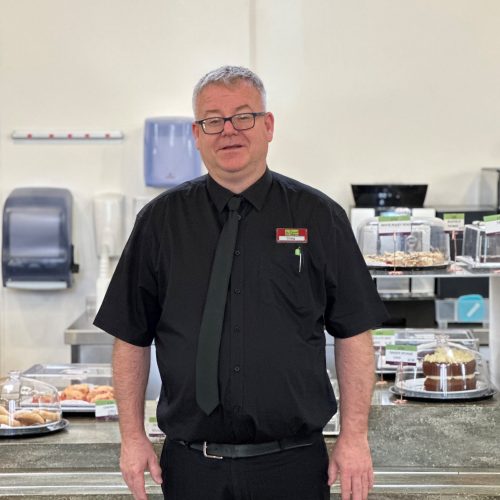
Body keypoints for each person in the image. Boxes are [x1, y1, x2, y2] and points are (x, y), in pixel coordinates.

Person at [94, 65, 389, 500]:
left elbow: (353, 333)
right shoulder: (160, 222)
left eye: (243, 117)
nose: (228, 131)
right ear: (197, 134)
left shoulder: (318, 217)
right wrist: (133, 437)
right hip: (192, 467)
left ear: (268, 126)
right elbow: (131, 337)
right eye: (212, 120)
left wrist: (354, 436)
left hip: (293, 466)